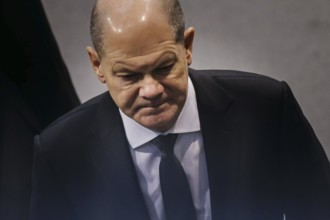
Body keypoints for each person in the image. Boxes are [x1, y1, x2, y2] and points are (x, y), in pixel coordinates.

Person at [29, 0, 330, 219]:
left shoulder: (266, 107)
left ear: (187, 47)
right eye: (129, 75)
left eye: (164, 67)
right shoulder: (60, 153)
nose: (151, 90)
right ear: (98, 66)